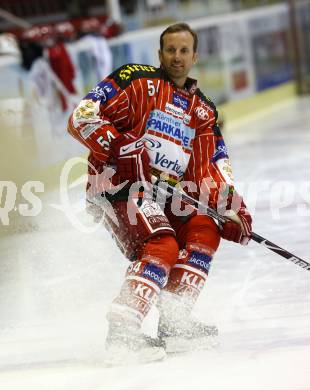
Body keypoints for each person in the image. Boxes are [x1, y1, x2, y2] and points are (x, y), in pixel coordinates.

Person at [67, 23, 252, 364]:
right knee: (162, 244)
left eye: (184, 51)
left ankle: (175, 323)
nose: (177, 57)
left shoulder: (202, 111)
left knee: (205, 228)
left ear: (195, 56)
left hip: (164, 195)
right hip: (116, 187)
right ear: (160, 54)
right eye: (170, 50)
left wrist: (229, 207)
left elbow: (208, 167)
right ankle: (122, 332)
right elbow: (81, 117)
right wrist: (117, 146)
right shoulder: (135, 82)